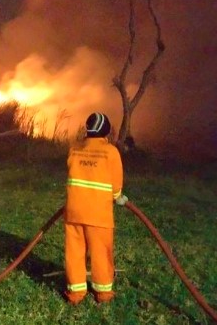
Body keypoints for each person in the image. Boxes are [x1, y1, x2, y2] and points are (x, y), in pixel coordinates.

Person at [64, 112, 128, 305]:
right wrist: (118, 197)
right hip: (98, 214)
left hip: (74, 211)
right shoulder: (110, 152)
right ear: (106, 131)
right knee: (100, 253)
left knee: (74, 252)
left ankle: (75, 293)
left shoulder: (74, 149)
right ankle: (103, 293)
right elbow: (116, 183)